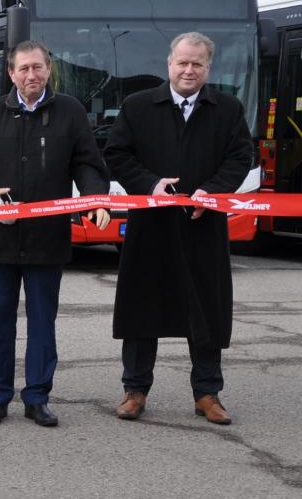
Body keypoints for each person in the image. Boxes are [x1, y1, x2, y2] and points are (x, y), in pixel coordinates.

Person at [0, 41, 111, 427]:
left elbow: (88, 164)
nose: (31, 75)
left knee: (42, 324)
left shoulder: (70, 112)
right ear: (11, 73)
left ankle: (37, 396)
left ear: (48, 70)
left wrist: (95, 198)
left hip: (47, 239)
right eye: (23, 69)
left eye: (37, 68)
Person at [104, 32, 253, 425]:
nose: (189, 70)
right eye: (182, 62)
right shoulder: (138, 106)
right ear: (169, 64)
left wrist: (212, 192)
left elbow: (241, 158)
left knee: (206, 311)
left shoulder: (227, 108)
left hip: (203, 229)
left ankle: (207, 393)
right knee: (142, 310)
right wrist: (149, 184)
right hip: (150, 228)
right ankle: (134, 390)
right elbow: (117, 153)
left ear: (208, 68)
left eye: (197, 64)